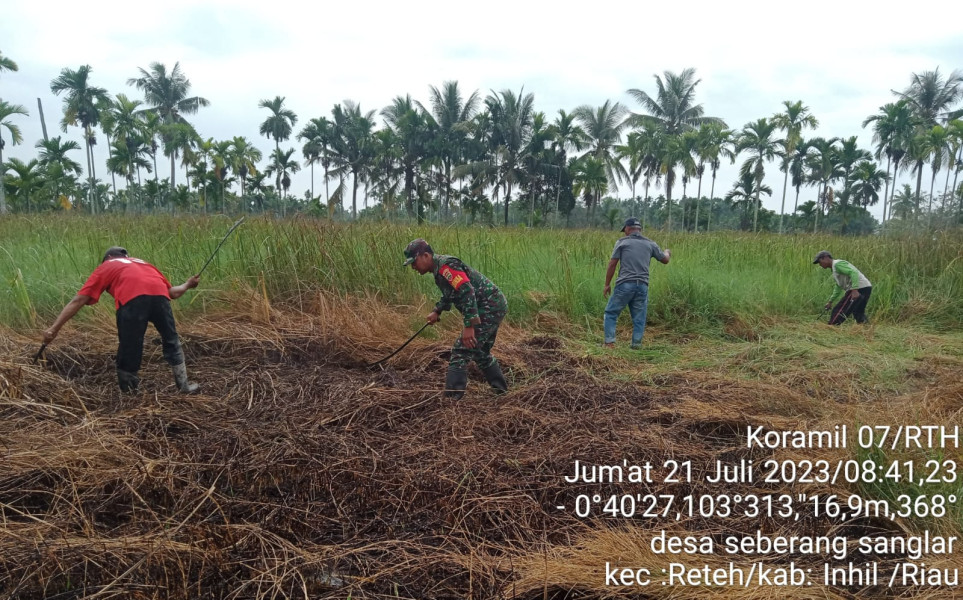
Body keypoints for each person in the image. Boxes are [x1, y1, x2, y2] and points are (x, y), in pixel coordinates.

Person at [42, 246, 201, 394]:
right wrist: (188, 284)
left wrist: (53, 329)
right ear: (127, 256)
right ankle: (184, 385)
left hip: (133, 300)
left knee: (130, 345)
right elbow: (172, 293)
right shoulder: (144, 264)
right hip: (160, 299)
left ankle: (130, 393)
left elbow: (79, 300)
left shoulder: (107, 265)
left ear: (108, 257)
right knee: (171, 340)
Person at [403, 238, 508, 399]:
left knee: (461, 351)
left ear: (425, 255)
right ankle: (502, 392)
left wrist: (469, 325)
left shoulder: (447, 267)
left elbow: (466, 290)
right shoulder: (439, 270)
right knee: (480, 352)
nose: (413, 267)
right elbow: (452, 292)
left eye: (414, 262)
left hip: (489, 306)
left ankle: (451, 402)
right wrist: (437, 310)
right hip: (491, 305)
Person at [603, 217, 670, 349]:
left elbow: (612, 264)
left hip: (625, 284)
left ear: (627, 229)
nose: (625, 233)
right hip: (642, 286)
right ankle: (636, 345)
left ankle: (610, 343)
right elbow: (665, 260)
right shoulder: (651, 244)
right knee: (639, 318)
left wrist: (607, 284)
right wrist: (667, 252)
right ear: (640, 230)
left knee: (611, 313)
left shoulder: (622, 242)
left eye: (625, 231)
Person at [813, 251, 872, 325]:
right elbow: (838, 286)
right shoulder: (835, 269)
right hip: (866, 287)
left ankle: (832, 326)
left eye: (819, 261)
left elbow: (853, 272)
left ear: (825, 257)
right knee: (857, 311)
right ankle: (866, 328)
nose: (820, 264)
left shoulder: (837, 264)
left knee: (839, 309)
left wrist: (854, 290)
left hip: (858, 288)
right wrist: (830, 301)